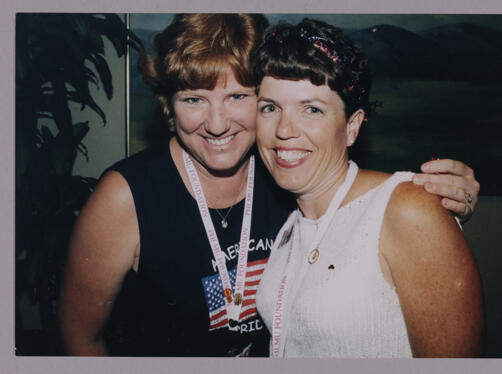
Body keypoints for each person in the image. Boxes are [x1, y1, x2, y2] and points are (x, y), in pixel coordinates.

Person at [59, 14, 480, 357]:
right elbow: (80, 337)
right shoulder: (127, 195)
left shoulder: (287, 176)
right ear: (168, 105)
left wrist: (431, 199)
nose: (218, 123)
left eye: (239, 98)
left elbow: (357, 197)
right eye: (193, 99)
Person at [253, 19, 484, 358]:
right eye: (270, 108)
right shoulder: (289, 226)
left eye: (312, 109)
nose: (284, 129)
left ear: (351, 127)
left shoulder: (406, 208)